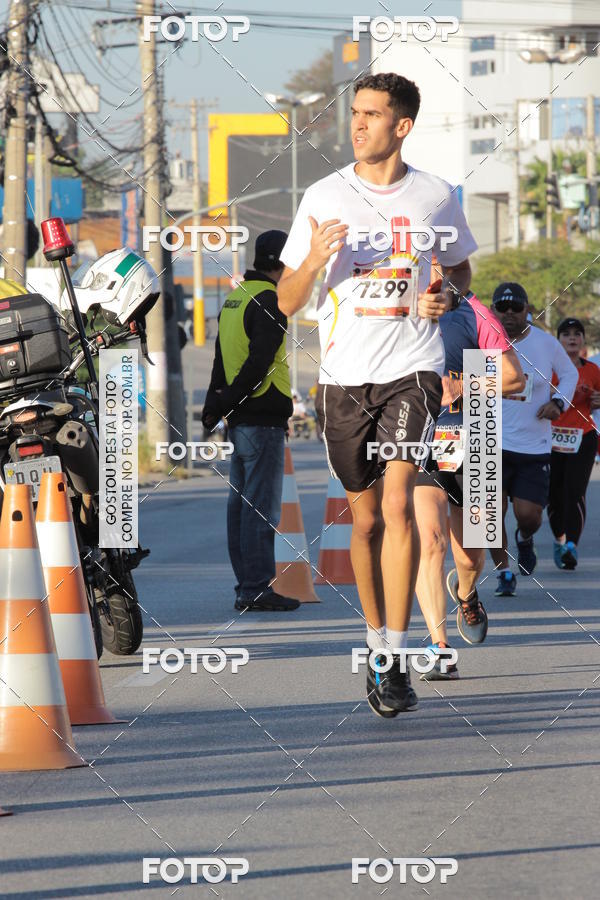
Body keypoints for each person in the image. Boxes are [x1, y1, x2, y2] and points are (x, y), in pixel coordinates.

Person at [277, 72, 478, 716]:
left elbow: (462, 271)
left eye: (372, 115)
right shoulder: (323, 196)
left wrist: (447, 295)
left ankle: (393, 658)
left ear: (403, 126)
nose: (358, 125)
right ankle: (375, 642)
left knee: (398, 506)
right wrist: (313, 261)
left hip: (413, 369)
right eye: (355, 114)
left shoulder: (436, 196)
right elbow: (288, 300)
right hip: (343, 377)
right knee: (363, 519)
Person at [414, 290, 524, 678]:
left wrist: (465, 388)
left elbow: (514, 378)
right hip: (417, 436)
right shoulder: (392, 312)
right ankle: (438, 647)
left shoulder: (472, 314)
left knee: (469, 556)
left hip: (472, 430)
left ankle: (465, 593)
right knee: (431, 541)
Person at [202, 230, 300, 612]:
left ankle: (247, 585)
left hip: (241, 418)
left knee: (240, 507)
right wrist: (231, 401)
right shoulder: (270, 301)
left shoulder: (235, 298)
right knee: (260, 508)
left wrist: (218, 405)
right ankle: (257, 588)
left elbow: (220, 359)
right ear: (281, 261)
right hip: (260, 418)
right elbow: (258, 363)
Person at [488, 283, 578, 596]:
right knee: (489, 514)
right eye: (503, 307)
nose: (509, 313)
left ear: (528, 309)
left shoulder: (545, 343)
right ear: (494, 310)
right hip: (490, 443)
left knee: (529, 515)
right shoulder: (483, 340)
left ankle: (524, 539)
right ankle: (504, 573)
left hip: (532, 446)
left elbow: (570, 374)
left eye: (516, 308)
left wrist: (558, 403)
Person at [548, 317, 600, 569]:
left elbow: (598, 397)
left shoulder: (592, 370)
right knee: (554, 494)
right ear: (558, 341)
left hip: (583, 435)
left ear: (583, 340)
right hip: (551, 437)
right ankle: (559, 539)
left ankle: (571, 546)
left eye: (577, 334)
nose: (572, 338)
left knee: (575, 490)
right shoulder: (549, 369)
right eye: (566, 334)